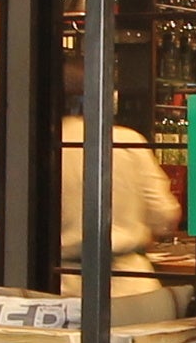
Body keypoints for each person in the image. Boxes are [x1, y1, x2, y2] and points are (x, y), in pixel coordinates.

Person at [57, 109, 185, 312]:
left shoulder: (49, 143)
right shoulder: (127, 140)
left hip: (63, 284)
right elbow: (165, 214)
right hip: (131, 284)